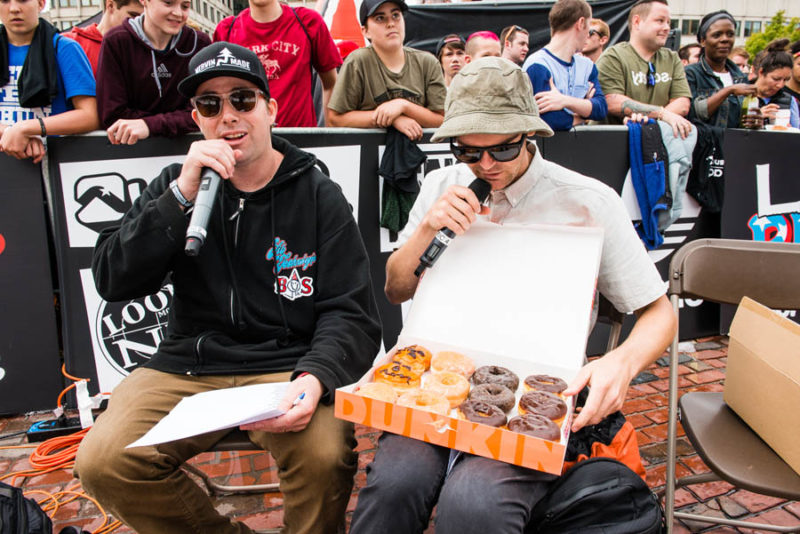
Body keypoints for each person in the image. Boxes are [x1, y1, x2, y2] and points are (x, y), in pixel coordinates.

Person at [349, 57, 676, 534]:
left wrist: (620, 363)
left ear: (531, 135)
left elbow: (658, 312)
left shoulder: (588, 200)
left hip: (534, 392)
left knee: (475, 501)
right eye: (468, 151)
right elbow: (396, 286)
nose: (485, 165)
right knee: (395, 484)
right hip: (441, 378)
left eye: (503, 149)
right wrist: (426, 229)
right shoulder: (442, 184)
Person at [74, 42, 382, 534]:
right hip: (190, 364)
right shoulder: (177, 185)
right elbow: (113, 280)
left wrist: (316, 377)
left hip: (288, 364)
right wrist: (179, 198)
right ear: (196, 118)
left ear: (270, 108)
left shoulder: (318, 194)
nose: (228, 116)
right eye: (210, 104)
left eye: (242, 99)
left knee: (325, 456)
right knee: (103, 461)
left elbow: (352, 312)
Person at [96, 0, 211, 145]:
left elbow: (206, 111)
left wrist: (149, 125)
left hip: (186, 151)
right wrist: (177, 120)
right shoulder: (116, 41)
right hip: (130, 154)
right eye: (168, 3)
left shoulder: (200, 43)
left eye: (185, 6)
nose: (178, 13)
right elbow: (112, 115)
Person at [327, 0, 446, 140]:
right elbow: (335, 119)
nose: (391, 23)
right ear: (365, 31)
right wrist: (392, 120)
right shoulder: (357, 62)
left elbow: (443, 120)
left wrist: (403, 106)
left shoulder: (428, 62)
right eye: (380, 18)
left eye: (396, 15)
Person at [213, 0, 342, 128]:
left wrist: (329, 133)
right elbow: (217, 93)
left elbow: (330, 84)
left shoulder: (308, 22)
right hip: (246, 138)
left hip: (300, 138)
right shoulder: (227, 30)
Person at [0, 0, 98, 164]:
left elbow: (90, 115)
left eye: (23, 0)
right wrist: (10, 132)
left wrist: (27, 129)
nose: (14, 9)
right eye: (5, 1)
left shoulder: (65, 48)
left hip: (54, 164)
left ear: (40, 3)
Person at [596, 0, 693, 137]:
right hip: (612, 143)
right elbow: (612, 101)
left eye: (668, 22)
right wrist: (662, 114)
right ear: (637, 22)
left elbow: (682, 103)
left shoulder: (672, 58)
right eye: (660, 21)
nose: (666, 27)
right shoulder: (613, 56)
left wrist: (650, 121)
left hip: (654, 144)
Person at [524, 0, 607, 130]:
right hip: (546, 148)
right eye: (589, 28)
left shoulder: (587, 66)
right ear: (580, 24)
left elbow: (601, 108)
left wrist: (564, 101)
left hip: (579, 146)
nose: (588, 35)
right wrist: (583, 113)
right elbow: (549, 120)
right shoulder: (537, 64)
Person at [684, 11, 754, 128]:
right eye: (717, 35)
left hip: (735, 144)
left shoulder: (740, 77)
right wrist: (728, 91)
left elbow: (742, 120)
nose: (725, 39)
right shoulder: (690, 73)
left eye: (730, 34)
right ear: (703, 41)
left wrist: (754, 120)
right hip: (702, 144)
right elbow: (693, 114)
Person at [62, 0, 143, 75]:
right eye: (133, 16)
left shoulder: (144, 50)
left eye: (143, 18)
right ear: (110, 5)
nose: (139, 23)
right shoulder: (69, 43)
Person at [750, 39, 799, 128]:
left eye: (785, 80)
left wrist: (791, 131)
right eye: (776, 79)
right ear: (761, 72)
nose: (780, 85)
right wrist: (755, 117)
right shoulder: (741, 96)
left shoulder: (789, 100)